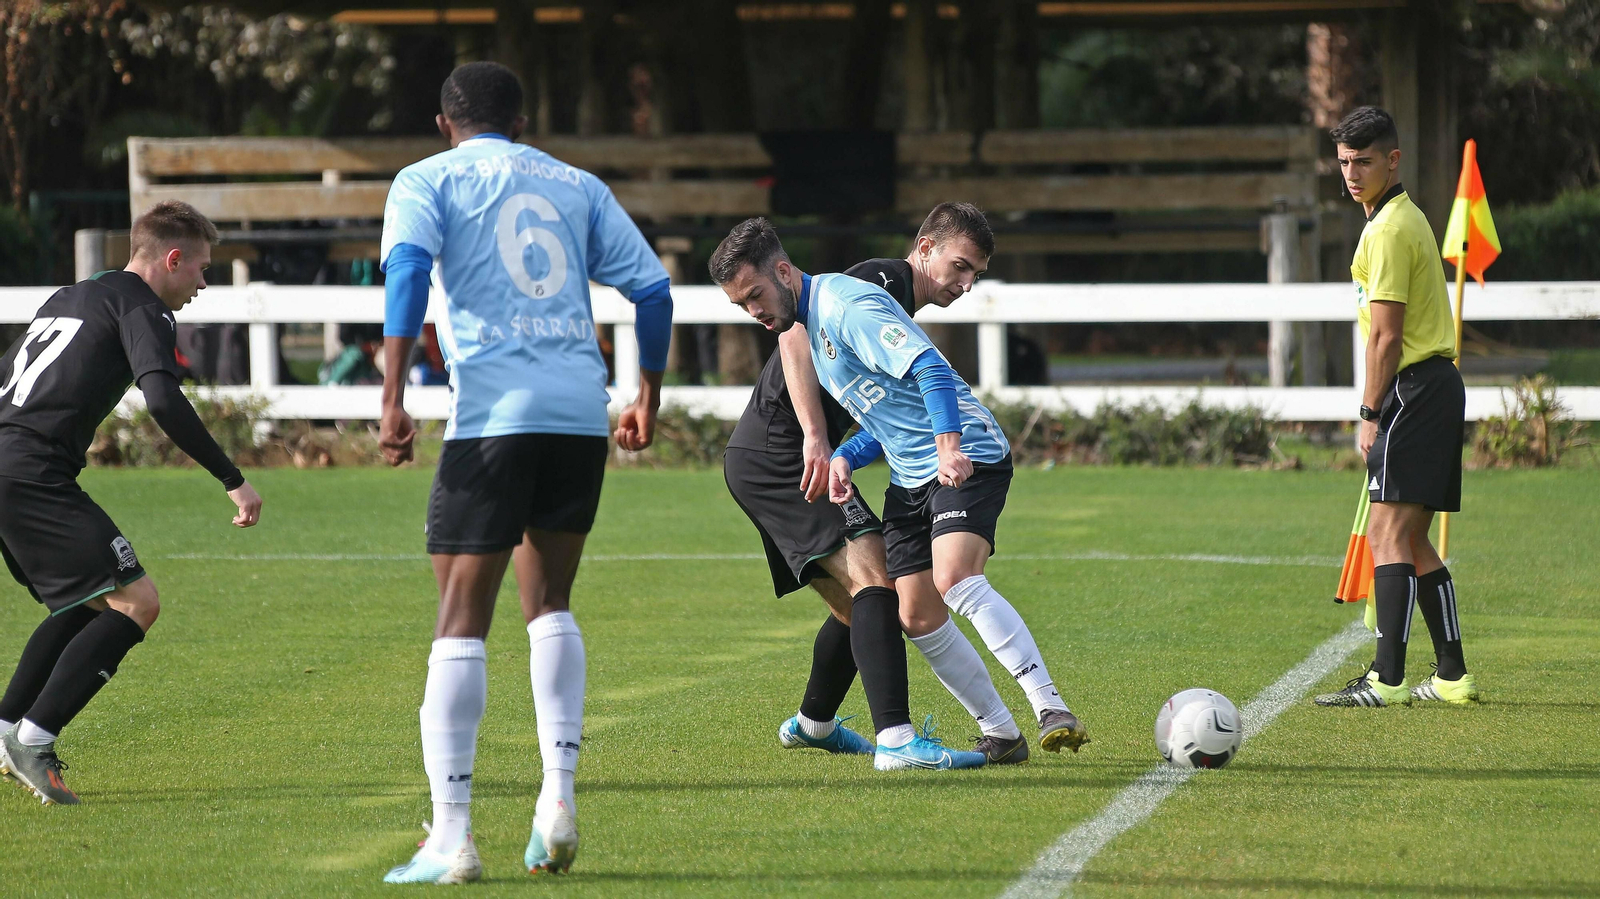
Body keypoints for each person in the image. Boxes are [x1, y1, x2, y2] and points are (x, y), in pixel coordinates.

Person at [376, 62, 673, 883]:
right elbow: (651, 290)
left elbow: (404, 275)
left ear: (445, 123)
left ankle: (454, 835)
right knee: (551, 604)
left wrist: (393, 392)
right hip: (579, 413)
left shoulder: (426, 178)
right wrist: (646, 393)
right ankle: (557, 798)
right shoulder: (574, 182)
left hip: (492, 420)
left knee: (460, 616)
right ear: (522, 115)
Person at [711, 216, 1089, 760]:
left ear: (785, 272)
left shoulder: (849, 304)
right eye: (741, 304)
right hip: (909, 471)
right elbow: (886, 415)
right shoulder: (812, 323)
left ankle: (1048, 705)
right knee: (911, 612)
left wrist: (947, 446)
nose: (753, 312)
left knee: (953, 578)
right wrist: (842, 454)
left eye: (755, 296)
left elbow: (931, 371)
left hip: (964, 455)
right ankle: (1002, 735)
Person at [0, 200, 263, 805]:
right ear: (172, 259)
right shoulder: (145, 307)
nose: (202, 283)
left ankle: (5, 732)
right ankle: (33, 740)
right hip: (32, 467)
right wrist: (232, 478)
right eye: (200, 269)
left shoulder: (76, 295)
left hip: (11, 461)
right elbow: (164, 402)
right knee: (137, 602)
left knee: (86, 601)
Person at [1314, 106, 1477, 708]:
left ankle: (1386, 679)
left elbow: (1385, 335)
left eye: (1363, 161)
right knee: (1411, 538)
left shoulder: (1386, 230)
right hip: (1433, 387)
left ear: (1393, 160)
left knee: (1388, 531)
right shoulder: (1401, 217)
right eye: (1344, 162)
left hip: (1413, 390)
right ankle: (1454, 676)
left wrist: (1369, 412)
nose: (1352, 173)